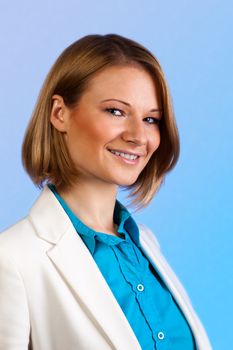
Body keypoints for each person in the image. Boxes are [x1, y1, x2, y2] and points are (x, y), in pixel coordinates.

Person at [0, 34, 212, 350]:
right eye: (115, 111)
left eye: (151, 119)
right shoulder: (12, 259)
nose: (139, 136)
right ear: (60, 114)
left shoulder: (146, 245)